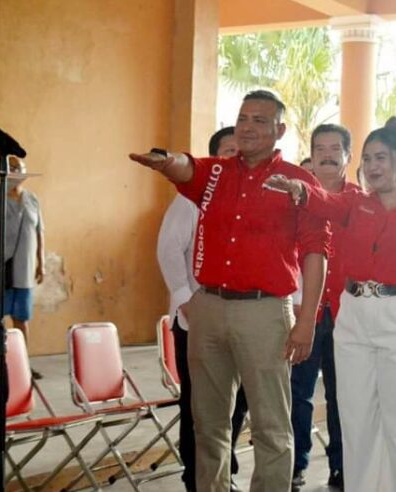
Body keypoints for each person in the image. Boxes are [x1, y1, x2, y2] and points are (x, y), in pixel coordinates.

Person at [131, 89, 329, 492]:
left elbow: (316, 252)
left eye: (260, 120)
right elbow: (187, 167)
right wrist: (166, 161)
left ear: (280, 130)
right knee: (208, 424)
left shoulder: (299, 181)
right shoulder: (217, 172)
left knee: (272, 426)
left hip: (265, 313)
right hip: (208, 309)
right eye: (243, 118)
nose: (248, 127)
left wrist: (306, 319)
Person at [266, 118, 396, 492]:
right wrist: (298, 189)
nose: (372, 166)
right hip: (353, 317)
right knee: (356, 420)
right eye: (367, 159)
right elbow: (326, 201)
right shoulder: (355, 203)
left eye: (381, 157)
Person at [157, 126, 248, 492]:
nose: (234, 158)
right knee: (199, 405)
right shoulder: (192, 198)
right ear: (211, 161)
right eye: (227, 151)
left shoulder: (252, 198)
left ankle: (222, 474)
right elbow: (167, 250)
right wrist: (186, 300)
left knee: (236, 401)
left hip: (239, 319)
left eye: (239, 151)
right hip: (196, 319)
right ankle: (196, 479)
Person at [290, 124, 358, 491]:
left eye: (336, 148)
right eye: (320, 148)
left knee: (341, 395)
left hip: (349, 316)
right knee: (297, 393)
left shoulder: (363, 202)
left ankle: (341, 466)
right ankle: (295, 464)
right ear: (312, 154)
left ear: (348, 155)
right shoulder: (295, 198)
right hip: (304, 313)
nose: (327, 154)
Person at [0, 155, 46, 379]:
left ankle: (23, 365)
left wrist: (41, 263)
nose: (16, 172)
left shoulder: (33, 199)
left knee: (22, 318)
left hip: (25, 269)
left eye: (19, 168)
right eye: (11, 168)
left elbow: (40, 232)